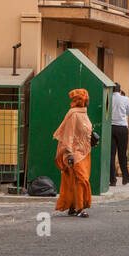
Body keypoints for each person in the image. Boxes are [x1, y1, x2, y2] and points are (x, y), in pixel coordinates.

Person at [52, 88, 94, 218]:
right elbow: (68, 134)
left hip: (84, 152)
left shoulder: (83, 113)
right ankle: (80, 208)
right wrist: (69, 153)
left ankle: (73, 206)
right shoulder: (74, 114)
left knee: (75, 180)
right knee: (81, 179)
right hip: (74, 153)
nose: (88, 101)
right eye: (86, 98)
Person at [109, 85, 129, 187]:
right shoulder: (125, 99)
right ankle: (125, 178)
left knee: (111, 155)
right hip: (122, 128)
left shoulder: (109, 98)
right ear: (119, 90)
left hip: (111, 128)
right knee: (122, 154)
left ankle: (112, 180)